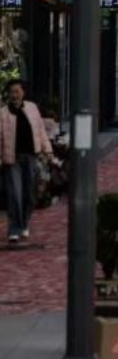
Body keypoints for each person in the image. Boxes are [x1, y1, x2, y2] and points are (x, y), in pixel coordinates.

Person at [0, 80, 51, 244]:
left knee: (30, 194)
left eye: (17, 91)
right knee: (15, 194)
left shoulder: (32, 108)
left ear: (23, 92)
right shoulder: (3, 113)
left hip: (31, 156)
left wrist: (47, 149)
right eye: (11, 92)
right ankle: (14, 229)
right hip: (12, 158)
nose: (14, 95)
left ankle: (24, 224)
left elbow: (40, 130)